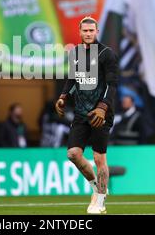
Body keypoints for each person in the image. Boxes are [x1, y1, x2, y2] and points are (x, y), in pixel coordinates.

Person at [55, 16, 119, 214]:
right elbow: (72, 79)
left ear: (97, 32)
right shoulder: (75, 53)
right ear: (80, 32)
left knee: (100, 158)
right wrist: (64, 96)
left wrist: (103, 106)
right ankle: (98, 187)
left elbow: (112, 84)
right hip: (81, 113)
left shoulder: (107, 54)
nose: (88, 34)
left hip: (101, 114)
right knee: (73, 154)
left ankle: (99, 201)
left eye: (92, 31)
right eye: (85, 31)